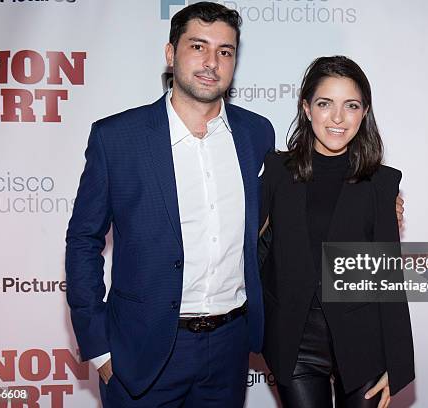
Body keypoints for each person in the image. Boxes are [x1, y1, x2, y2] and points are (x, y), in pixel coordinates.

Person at [65, 3, 274, 406]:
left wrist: (371, 202)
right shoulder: (117, 139)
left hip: (230, 349)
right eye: (198, 46)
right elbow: (82, 240)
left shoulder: (256, 134)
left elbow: (286, 211)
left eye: (225, 51)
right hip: (141, 350)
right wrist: (99, 346)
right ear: (170, 54)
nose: (211, 62)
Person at [259, 56, 415, 408]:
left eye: (351, 105)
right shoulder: (276, 172)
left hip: (364, 338)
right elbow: (251, 245)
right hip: (295, 339)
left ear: (364, 112)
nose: (338, 118)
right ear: (306, 107)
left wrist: (397, 360)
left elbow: (386, 279)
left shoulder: (382, 183)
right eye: (325, 103)